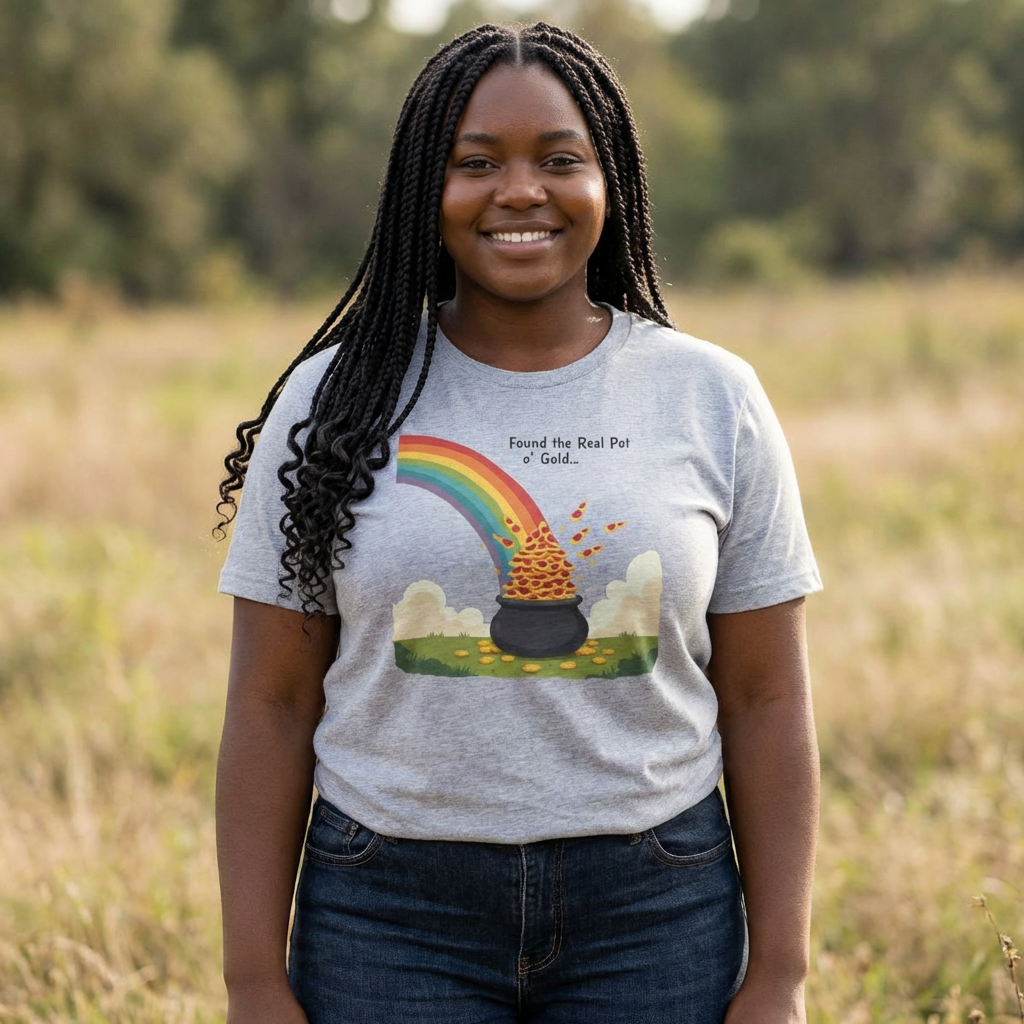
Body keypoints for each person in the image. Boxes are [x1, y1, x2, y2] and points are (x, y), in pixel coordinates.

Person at [215, 21, 822, 1024]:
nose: (520, 191)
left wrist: (780, 973)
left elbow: (764, 696)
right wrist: (250, 980)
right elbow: (271, 704)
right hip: (386, 908)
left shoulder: (709, 395)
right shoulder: (336, 397)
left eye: (559, 159)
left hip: (656, 904)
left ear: (610, 181)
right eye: (476, 162)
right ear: (425, 189)